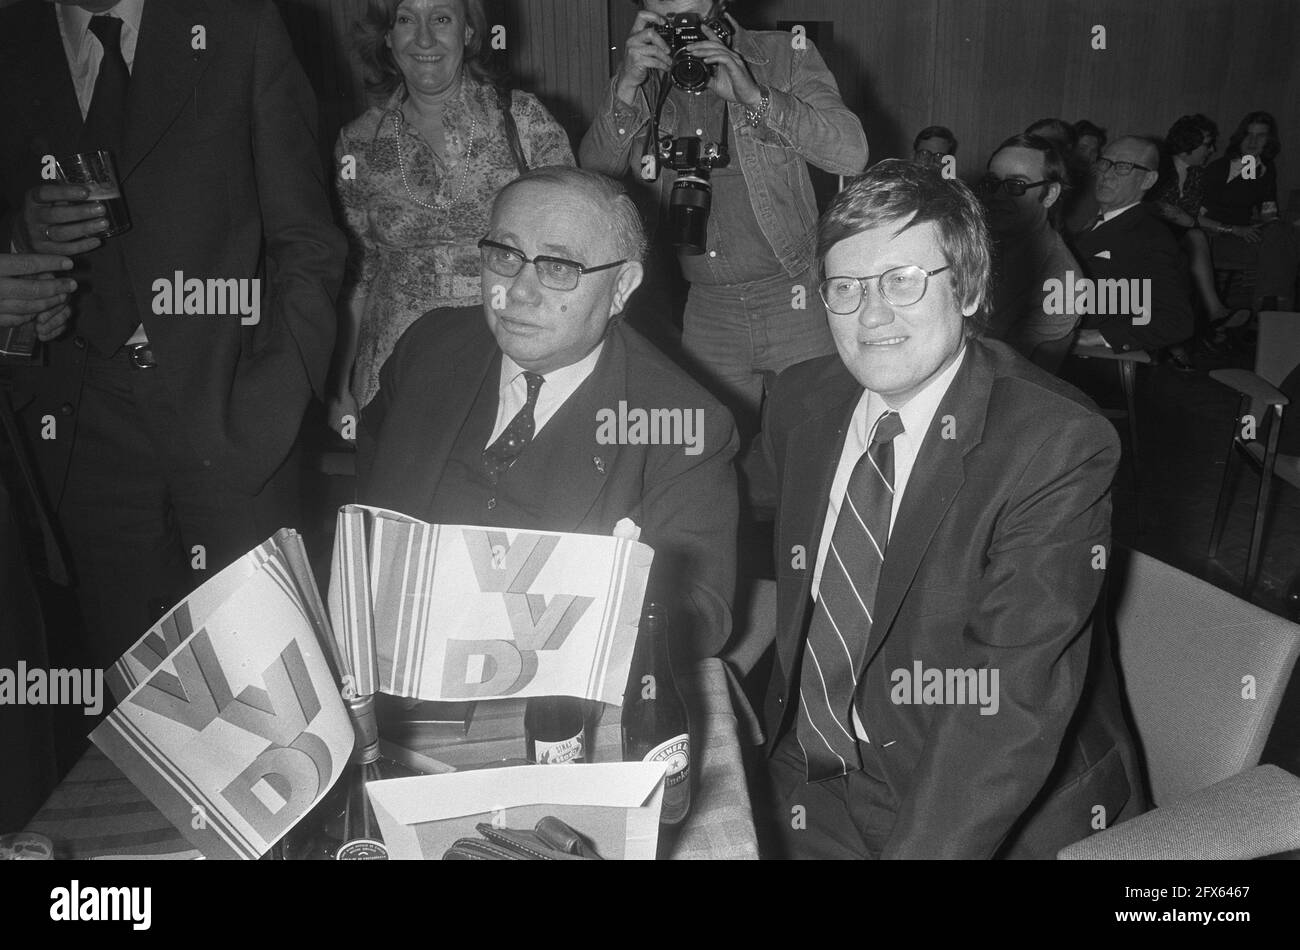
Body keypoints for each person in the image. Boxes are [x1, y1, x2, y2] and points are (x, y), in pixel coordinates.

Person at [748, 160, 1144, 858]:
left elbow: (1001, 705)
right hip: (807, 765)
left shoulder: (1053, 445)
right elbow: (728, 509)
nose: (872, 315)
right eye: (846, 287)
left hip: (963, 803)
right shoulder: (802, 400)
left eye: (903, 281)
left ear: (967, 289)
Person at [0, 0, 346, 672]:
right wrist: (19, 232)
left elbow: (309, 241)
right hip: (78, 431)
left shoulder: (238, 25)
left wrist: (274, 399)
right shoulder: (11, 38)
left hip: (232, 415)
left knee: (274, 691)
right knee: (139, 712)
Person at [358, 167, 738, 661]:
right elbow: (369, 494)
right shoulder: (430, 347)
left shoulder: (681, 420)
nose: (518, 290)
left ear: (622, 286)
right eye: (505, 255)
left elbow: (702, 614)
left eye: (559, 267)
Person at [579, 0, 868, 439]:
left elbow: (850, 152)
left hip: (794, 294)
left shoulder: (785, 55)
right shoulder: (643, 75)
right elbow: (594, 180)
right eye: (669, 22)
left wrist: (755, 97)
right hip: (706, 308)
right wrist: (625, 87)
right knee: (707, 452)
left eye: (695, 19)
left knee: (818, 447)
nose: (686, 34)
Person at [330, 0, 575, 420]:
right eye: (406, 19)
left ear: (467, 32)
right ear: (388, 37)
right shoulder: (358, 144)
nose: (424, 38)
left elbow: (571, 252)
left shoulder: (524, 121)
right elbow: (356, 276)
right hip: (394, 375)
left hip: (507, 364)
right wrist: (338, 387)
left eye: (441, 18)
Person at [1072, 136, 1194, 354]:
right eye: (1105, 163)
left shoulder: (1150, 237)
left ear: (1148, 180)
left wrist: (1099, 336)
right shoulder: (1084, 219)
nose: (1107, 174)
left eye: (1123, 167)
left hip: (1084, 354)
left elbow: (1176, 321)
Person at [978, 133, 1082, 371]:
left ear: (1050, 194)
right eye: (992, 183)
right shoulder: (973, 243)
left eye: (1016, 186)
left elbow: (1013, 378)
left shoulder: (1063, 283)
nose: (998, 196)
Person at [1149, 114, 1237, 358]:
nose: (1212, 150)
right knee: (1195, 239)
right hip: (1151, 229)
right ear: (1188, 144)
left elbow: (1189, 215)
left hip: (1180, 232)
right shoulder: (1160, 166)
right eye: (1207, 144)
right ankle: (1213, 316)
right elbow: (1158, 208)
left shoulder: (1198, 174)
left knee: (1196, 240)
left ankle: (1201, 327)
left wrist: (1226, 228)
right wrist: (1185, 219)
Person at [1199, 111, 1299, 315]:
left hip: (1244, 236)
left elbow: (1268, 212)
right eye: (1248, 134)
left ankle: (1269, 308)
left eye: (1260, 135)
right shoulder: (1221, 169)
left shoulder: (1264, 169)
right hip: (1213, 238)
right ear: (1240, 138)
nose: (1253, 141)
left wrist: (1286, 226)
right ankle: (1271, 311)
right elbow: (1193, 218)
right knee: (1283, 247)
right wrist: (1233, 229)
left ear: (1269, 141)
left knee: (1284, 235)